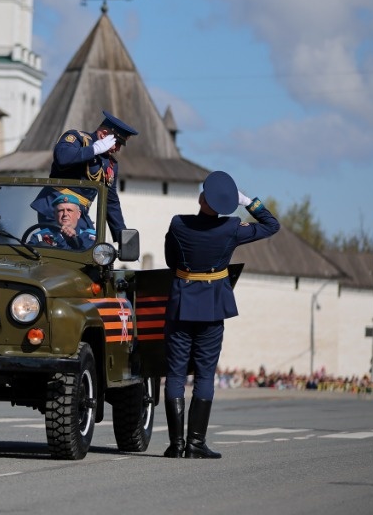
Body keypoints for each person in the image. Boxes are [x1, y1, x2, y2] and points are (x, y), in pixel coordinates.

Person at [162, 170, 280, 459]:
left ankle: (176, 445)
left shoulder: (178, 224)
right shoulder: (230, 228)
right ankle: (195, 444)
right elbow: (271, 224)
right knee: (204, 375)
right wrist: (245, 200)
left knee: (176, 374)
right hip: (213, 307)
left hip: (182, 304)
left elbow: (169, 260)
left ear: (202, 197)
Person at [30, 110, 138, 242]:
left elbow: (111, 202)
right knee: (63, 247)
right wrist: (93, 150)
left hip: (80, 215)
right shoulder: (77, 139)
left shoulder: (111, 164)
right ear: (104, 135)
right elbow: (62, 158)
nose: (118, 149)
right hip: (58, 208)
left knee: (90, 246)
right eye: (117, 143)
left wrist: (123, 238)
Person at [27, 193, 97, 250]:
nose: (65, 214)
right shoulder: (40, 237)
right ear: (54, 214)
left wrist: (75, 239)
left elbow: (92, 254)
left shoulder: (90, 236)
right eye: (61, 211)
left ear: (78, 214)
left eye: (69, 210)